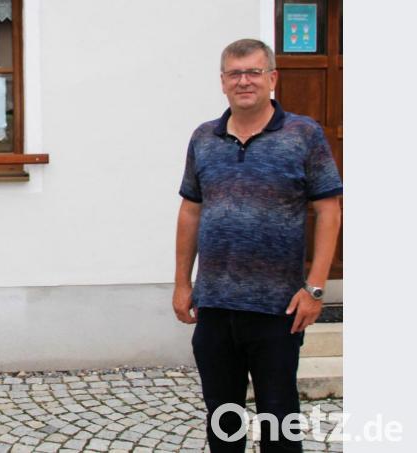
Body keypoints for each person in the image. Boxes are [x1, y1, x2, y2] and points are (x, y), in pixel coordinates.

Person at [173, 39, 342, 452]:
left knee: (278, 418)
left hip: (277, 308)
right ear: (223, 82)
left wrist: (315, 288)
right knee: (222, 418)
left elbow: (329, 210)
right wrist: (181, 283)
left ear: (272, 78)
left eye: (253, 72)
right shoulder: (204, 138)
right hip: (214, 305)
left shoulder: (303, 134)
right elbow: (190, 212)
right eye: (235, 73)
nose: (244, 81)